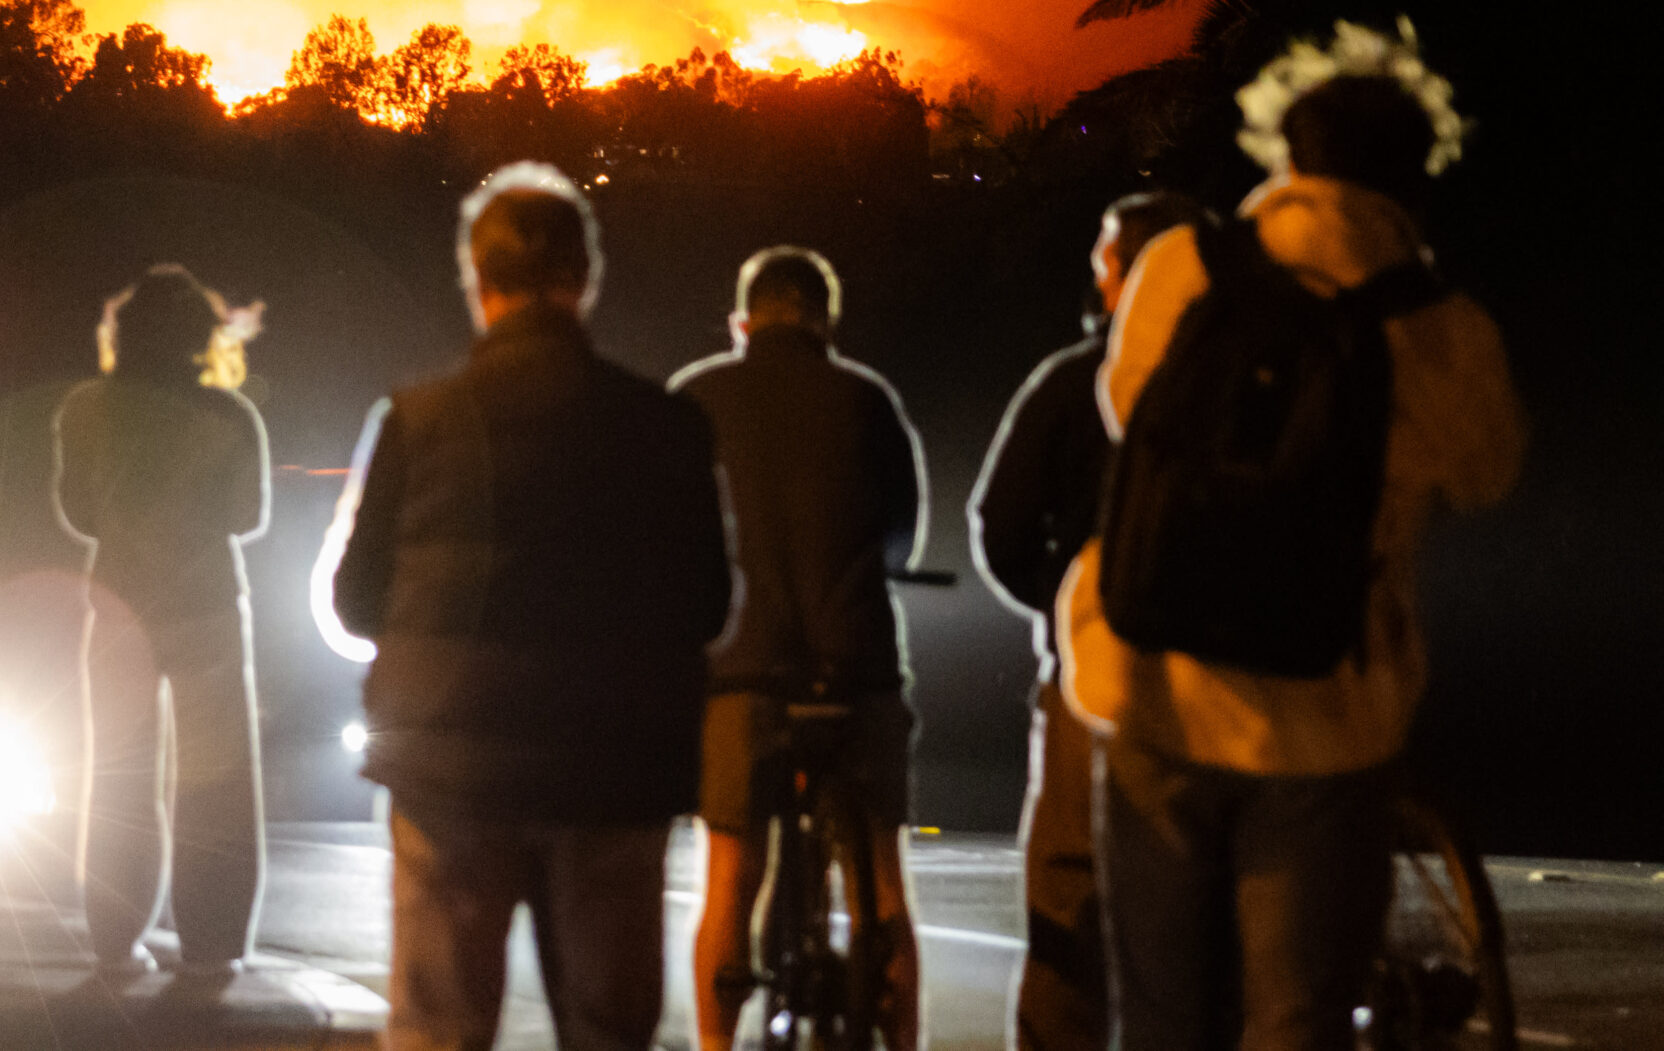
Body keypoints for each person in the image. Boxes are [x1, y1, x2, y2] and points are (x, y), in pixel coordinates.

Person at [1060, 24, 1527, 1051]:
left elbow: (1127, 407)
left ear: (1285, 155)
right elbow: (1487, 475)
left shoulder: (1185, 267)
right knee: (1293, 1017)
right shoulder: (1440, 326)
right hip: (1328, 709)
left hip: (1153, 681)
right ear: (1417, 175)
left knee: (1161, 1017)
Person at [322, 163, 731, 1051]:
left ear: (477, 279)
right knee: (608, 1028)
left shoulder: (416, 419)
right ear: (584, 279)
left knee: (437, 1026)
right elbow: (708, 604)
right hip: (614, 769)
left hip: (446, 771)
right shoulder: (665, 423)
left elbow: (354, 601)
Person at [672, 246, 929, 1051]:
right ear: (826, 321)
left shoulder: (695, 399)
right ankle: (900, 1038)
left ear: (742, 322)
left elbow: (673, 541)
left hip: (738, 672)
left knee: (730, 876)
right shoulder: (867, 399)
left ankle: (717, 1045)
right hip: (855, 669)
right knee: (881, 877)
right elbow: (900, 536)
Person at [969, 192, 1203, 1051]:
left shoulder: (1075, 382)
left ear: (1118, 275)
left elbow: (998, 524)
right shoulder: (1250, 372)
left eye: (1104, 264)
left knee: (1069, 887)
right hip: (1233, 669)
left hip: (1094, 678)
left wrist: (1061, 605)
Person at [53, 264, 271, 977]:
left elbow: (79, 513)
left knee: (118, 775)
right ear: (199, 338)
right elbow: (249, 515)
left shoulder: (86, 407)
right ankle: (213, 945)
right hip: (206, 607)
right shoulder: (232, 416)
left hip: (118, 605)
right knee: (214, 781)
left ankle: (116, 937)